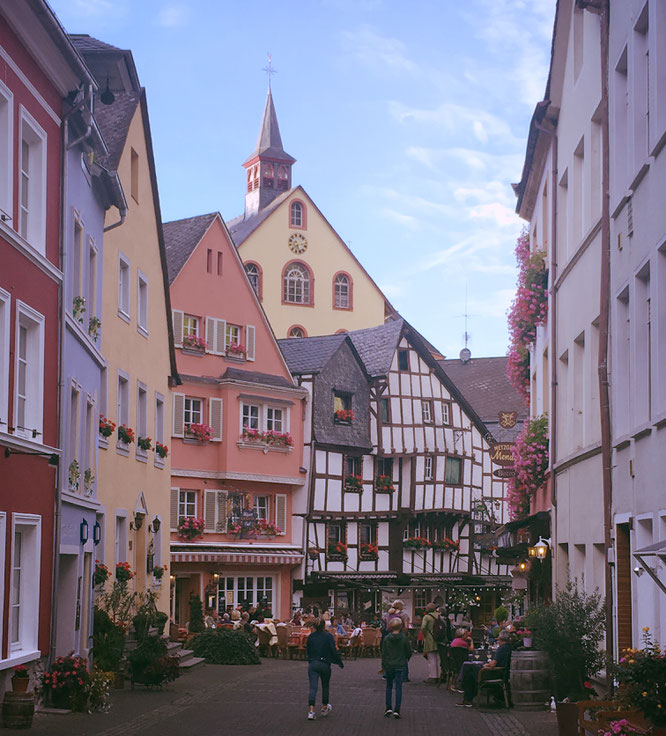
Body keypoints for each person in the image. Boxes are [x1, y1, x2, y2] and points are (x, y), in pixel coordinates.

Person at [457, 629, 512, 708]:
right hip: (503, 673)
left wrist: (486, 665)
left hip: (495, 673)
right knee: (472, 672)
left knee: (469, 674)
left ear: (500, 639)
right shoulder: (509, 647)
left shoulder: (501, 648)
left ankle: (467, 698)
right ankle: (468, 698)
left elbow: (493, 664)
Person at [306, 618, 344, 720]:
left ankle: (311, 711)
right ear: (324, 626)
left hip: (313, 663)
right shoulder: (328, 636)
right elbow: (333, 650)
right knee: (325, 686)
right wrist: (339, 661)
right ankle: (324, 707)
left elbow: (308, 650)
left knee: (313, 687)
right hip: (324, 664)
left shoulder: (311, 637)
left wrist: (311, 660)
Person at [381, 617, 412, 719]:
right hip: (400, 665)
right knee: (398, 687)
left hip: (389, 665)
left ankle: (388, 707)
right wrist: (405, 659)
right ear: (401, 626)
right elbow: (408, 652)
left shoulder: (386, 639)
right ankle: (397, 709)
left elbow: (384, 653)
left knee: (389, 686)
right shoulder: (403, 638)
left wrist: (383, 666)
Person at [421, 603, 441, 683]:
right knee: (438, 658)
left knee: (431, 658)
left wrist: (426, 634)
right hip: (439, 639)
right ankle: (439, 675)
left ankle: (433, 676)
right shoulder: (438, 616)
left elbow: (423, 627)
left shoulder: (427, 617)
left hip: (430, 639)